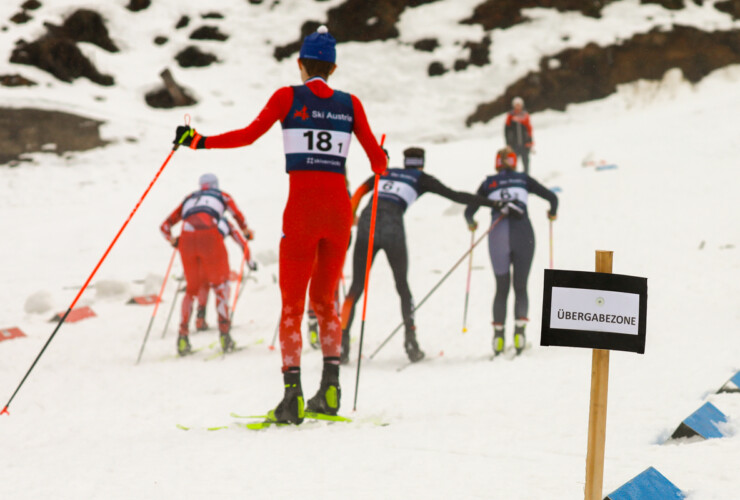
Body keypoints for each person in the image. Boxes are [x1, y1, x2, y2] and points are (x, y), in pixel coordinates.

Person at [172, 26, 386, 424]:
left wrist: (198, 140)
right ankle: (332, 388)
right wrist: (380, 158)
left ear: (301, 64)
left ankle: (292, 398)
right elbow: (378, 162)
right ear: (334, 67)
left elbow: (248, 135)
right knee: (326, 303)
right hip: (339, 214)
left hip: (302, 213)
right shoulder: (351, 104)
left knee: (292, 305)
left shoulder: (288, 96)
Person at [341, 147, 498, 364]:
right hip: (393, 227)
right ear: (421, 163)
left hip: (368, 223)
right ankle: (411, 342)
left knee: (356, 287)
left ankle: (341, 343)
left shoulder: (383, 171)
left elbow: (358, 192)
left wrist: (350, 220)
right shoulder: (420, 178)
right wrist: (493, 204)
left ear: (405, 161)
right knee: (402, 287)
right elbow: (455, 195)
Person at [464, 146, 558, 357]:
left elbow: (469, 210)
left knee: (501, 287)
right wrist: (552, 213)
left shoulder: (489, 182)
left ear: (497, 163)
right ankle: (520, 333)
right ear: (514, 162)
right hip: (524, 232)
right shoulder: (523, 179)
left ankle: (498, 337)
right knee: (521, 286)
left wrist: (472, 222)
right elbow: (553, 198)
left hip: (498, 233)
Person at [160, 173, 254, 356]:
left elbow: (164, 226)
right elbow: (237, 215)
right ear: (215, 185)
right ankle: (225, 336)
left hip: (186, 240)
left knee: (191, 289)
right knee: (220, 285)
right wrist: (246, 230)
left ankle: (182, 337)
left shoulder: (189, 198)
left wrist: (173, 241)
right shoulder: (222, 196)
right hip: (210, 238)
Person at [194, 217, 257, 332]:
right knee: (222, 287)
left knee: (204, 284)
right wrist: (250, 262)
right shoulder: (225, 222)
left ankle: (200, 318)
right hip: (217, 254)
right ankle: (223, 321)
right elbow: (242, 243)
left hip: (199, 254)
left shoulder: (200, 220)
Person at [504, 97, 534, 174]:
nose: (518, 106)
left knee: (526, 161)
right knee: (513, 162)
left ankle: (526, 176)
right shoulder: (510, 116)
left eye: (519, 105)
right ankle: (513, 176)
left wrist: (530, 141)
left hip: (524, 144)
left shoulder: (525, 115)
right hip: (514, 144)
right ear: (513, 106)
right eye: (516, 105)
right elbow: (506, 131)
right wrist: (508, 143)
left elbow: (529, 129)